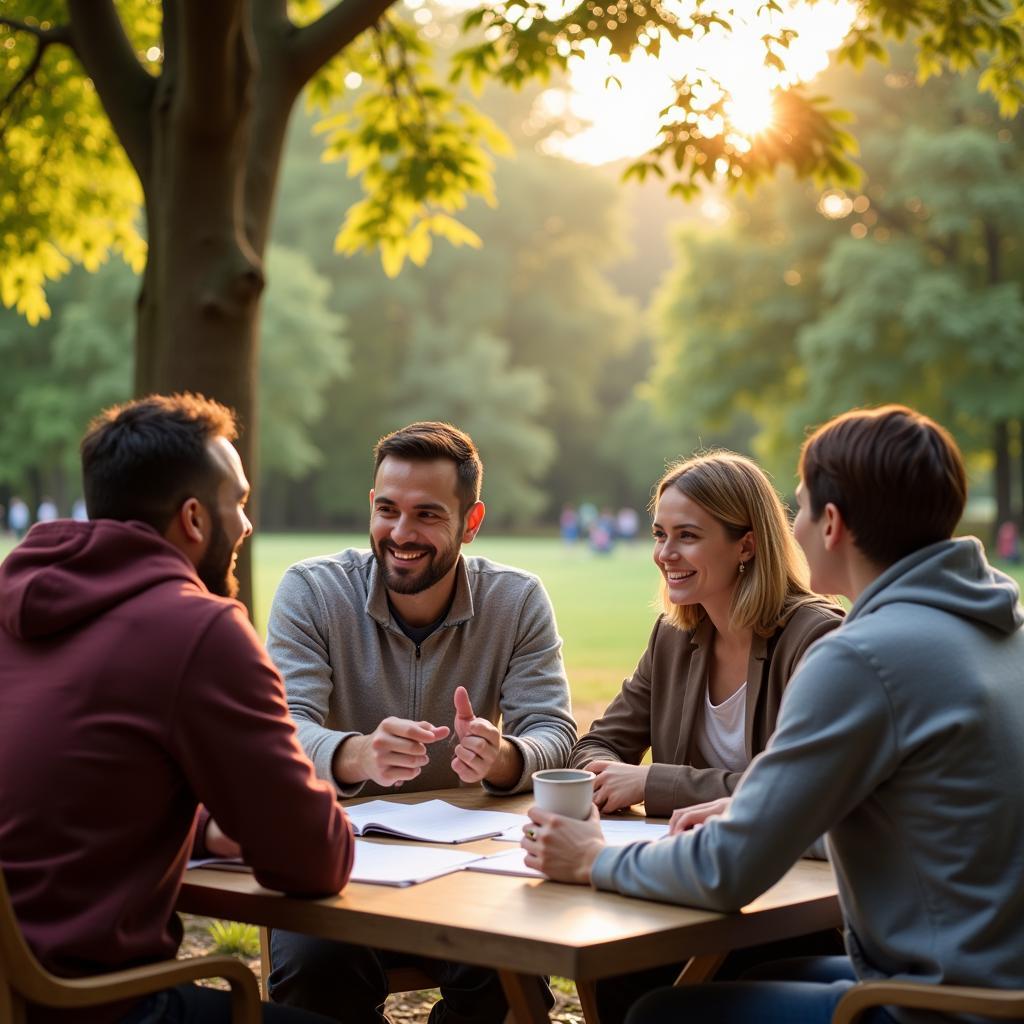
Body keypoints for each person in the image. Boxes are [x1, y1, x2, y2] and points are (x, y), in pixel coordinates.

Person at [524, 405, 1024, 1024]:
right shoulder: (998, 629)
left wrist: (590, 858)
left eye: (803, 508)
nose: (798, 529)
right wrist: (743, 807)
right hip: (993, 979)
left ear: (833, 523)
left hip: (941, 1003)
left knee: (661, 1014)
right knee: (751, 978)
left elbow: (728, 870)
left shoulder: (863, 657)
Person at [0, 393, 354, 1024]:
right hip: (86, 1005)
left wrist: (198, 829)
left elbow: (62, 787)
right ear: (193, 518)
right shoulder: (196, 630)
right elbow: (312, 860)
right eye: (238, 502)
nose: (245, 524)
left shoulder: (11, 607)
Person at [266, 420, 575, 1024]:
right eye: (387, 510)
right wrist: (355, 754)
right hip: (336, 865)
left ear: (472, 521)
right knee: (314, 972)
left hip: (469, 868)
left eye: (428, 515)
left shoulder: (517, 600)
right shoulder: (311, 591)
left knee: (510, 986)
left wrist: (506, 756)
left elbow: (555, 734)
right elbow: (283, 732)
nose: (401, 534)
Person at [568, 451, 842, 1022]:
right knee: (618, 970)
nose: (665, 554)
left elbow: (789, 793)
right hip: (691, 889)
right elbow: (597, 742)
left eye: (687, 536)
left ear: (746, 544)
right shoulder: (673, 638)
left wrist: (650, 781)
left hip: (786, 901)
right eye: (660, 534)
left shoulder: (816, 640)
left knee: (647, 992)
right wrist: (599, 773)